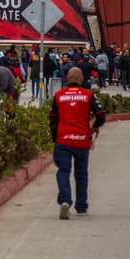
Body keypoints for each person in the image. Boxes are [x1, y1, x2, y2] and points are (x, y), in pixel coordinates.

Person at [49, 66, 106, 220]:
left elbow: (53, 118)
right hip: (81, 140)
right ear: (81, 79)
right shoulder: (89, 95)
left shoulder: (58, 95)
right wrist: (94, 128)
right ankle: (81, 206)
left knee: (63, 171)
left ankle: (65, 201)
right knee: (81, 173)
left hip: (63, 139)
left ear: (67, 79)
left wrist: (55, 137)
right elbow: (101, 115)